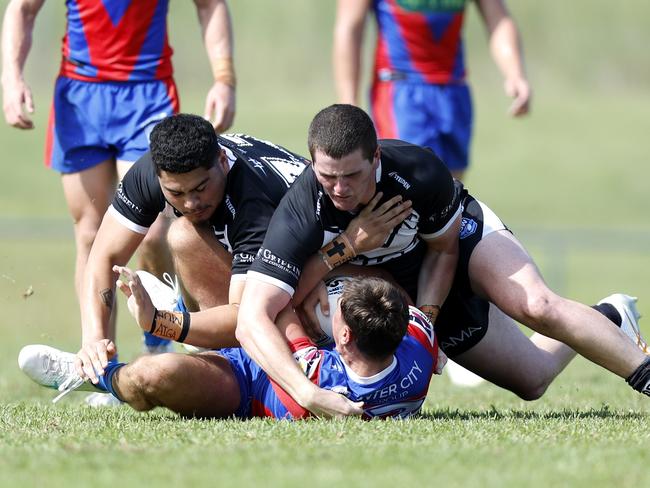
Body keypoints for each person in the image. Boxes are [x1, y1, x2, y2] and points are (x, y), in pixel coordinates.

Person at [235, 104, 650, 417]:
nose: (339, 189)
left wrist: (425, 326)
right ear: (312, 164)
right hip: (397, 285)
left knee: (536, 305)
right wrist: (347, 245)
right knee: (532, 379)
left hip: (453, 250)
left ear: (375, 157)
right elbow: (252, 315)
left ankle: (643, 373)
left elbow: (444, 249)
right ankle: (610, 315)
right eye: (328, 176)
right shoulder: (302, 209)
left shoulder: (418, 171)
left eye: (352, 175)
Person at [1, 0, 236, 358]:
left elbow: (210, 6)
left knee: (156, 228)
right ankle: (98, 358)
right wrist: (11, 77)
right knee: (90, 232)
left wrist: (224, 79)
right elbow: (22, 9)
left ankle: (159, 338)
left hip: (148, 93)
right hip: (81, 97)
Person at [74, 113, 316, 389]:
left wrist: (163, 322)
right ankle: (213, 350)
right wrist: (93, 338)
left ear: (222, 162)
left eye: (201, 187)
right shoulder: (151, 172)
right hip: (270, 267)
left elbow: (246, 317)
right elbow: (104, 256)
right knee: (183, 234)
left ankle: (231, 363)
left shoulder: (253, 203)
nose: (190, 202)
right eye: (176, 193)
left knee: (306, 316)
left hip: (330, 267)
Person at [19, 275, 446, 420]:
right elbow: (418, 316)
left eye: (339, 314)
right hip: (271, 356)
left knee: (153, 375)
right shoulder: (419, 342)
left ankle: (99, 376)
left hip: (248, 383)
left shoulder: (319, 374)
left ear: (346, 337)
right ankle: (177, 322)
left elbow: (279, 312)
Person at [333, 0, 531, 180]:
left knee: (450, 192)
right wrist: (349, 102)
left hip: (454, 92)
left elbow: (498, 19)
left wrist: (515, 73)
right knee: (408, 186)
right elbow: (350, 28)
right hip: (400, 94)